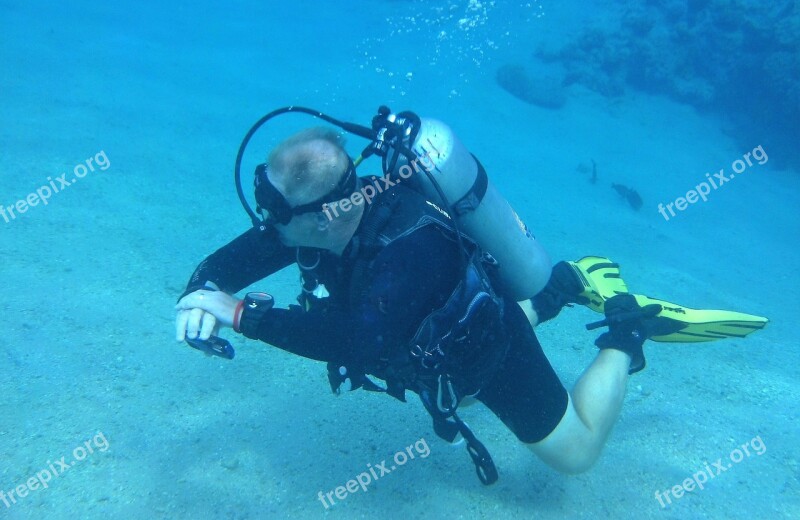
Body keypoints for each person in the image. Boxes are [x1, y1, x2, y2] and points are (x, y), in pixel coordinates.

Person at [174, 126, 766, 481]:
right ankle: (558, 287)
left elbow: (357, 345)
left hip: (485, 347)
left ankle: (627, 330)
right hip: (426, 333)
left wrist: (238, 315)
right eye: (267, 201)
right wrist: (197, 299)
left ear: (328, 212)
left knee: (575, 453)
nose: (264, 223)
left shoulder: (407, 251)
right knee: (440, 347)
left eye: (277, 212)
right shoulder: (312, 219)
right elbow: (220, 270)